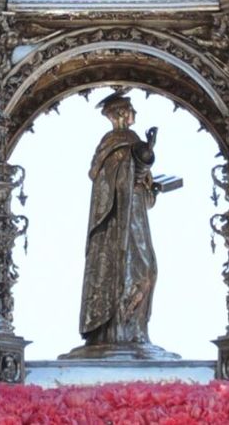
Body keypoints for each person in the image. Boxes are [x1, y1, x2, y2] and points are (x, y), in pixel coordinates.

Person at [64, 92, 177, 358]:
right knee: (133, 271)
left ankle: (135, 330)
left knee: (146, 271)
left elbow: (137, 177)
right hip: (117, 224)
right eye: (130, 109)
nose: (134, 114)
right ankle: (116, 331)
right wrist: (144, 153)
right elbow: (123, 173)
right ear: (121, 114)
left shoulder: (128, 142)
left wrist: (149, 179)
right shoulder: (116, 143)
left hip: (134, 216)